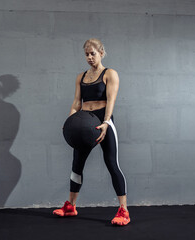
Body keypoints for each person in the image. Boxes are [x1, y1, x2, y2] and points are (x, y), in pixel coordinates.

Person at [53, 38, 130, 226]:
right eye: (86, 54)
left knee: (111, 163)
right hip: (84, 124)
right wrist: (69, 120)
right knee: (76, 165)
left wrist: (105, 122)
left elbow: (111, 101)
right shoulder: (81, 77)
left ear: (101, 53)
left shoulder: (109, 74)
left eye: (92, 53)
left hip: (103, 120)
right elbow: (76, 103)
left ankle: (124, 211)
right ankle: (71, 206)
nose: (89, 57)